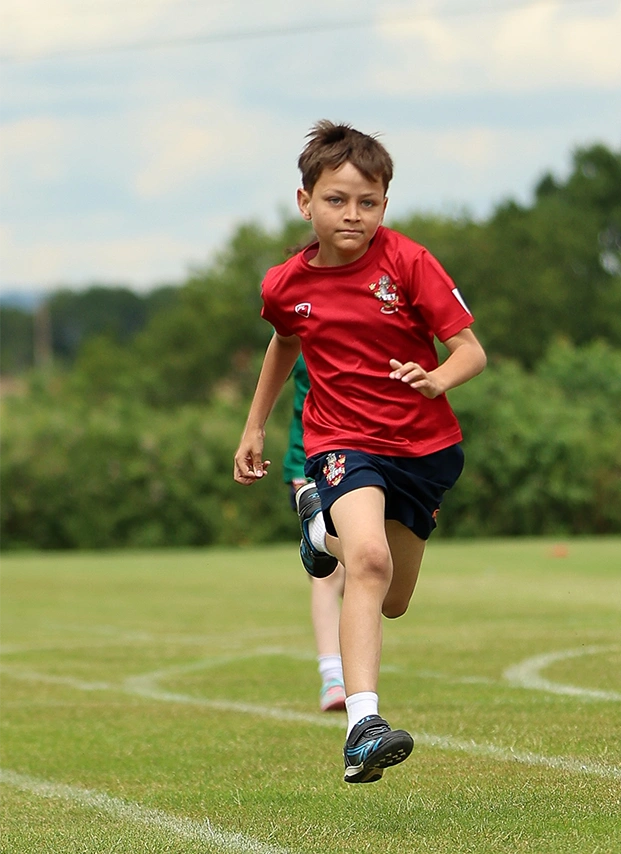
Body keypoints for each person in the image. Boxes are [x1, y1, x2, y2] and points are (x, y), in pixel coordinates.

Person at [233, 120, 486, 784]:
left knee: (393, 598)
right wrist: (255, 426)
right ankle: (362, 726)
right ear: (304, 202)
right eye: (337, 199)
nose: (352, 214)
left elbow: (472, 351)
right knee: (367, 561)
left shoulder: (408, 262)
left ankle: (319, 530)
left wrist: (438, 379)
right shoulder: (285, 284)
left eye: (367, 202)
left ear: (384, 205)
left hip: (427, 450)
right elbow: (285, 341)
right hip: (343, 444)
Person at [283, 351, 347, 713]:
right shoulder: (300, 313)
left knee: (372, 570)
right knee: (329, 573)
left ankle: (318, 537)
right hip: (308, 457)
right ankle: (333, 678)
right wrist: (253, 429)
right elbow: (275, 357)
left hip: (366, 454)